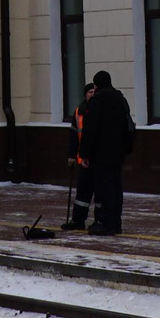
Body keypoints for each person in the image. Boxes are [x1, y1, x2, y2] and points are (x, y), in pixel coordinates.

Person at [76, 69, 136, 236]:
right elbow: (127, 125)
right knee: (116, 187)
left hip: (100, 153)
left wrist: (84, 153)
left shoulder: (97, 102)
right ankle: (116, 222)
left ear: (97, 84)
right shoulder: (121, 100)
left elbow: (90, 130)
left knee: (104, 189)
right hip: (118, 152)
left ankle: (104, 223)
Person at [62, 81, 97, 231]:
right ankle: (78, 220)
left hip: (97, 158)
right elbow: (73, 136)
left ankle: (98, 220)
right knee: (82, 192)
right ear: (85, 94)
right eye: (90, 92)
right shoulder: (79, 112)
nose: (92, 95)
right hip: (83, 159)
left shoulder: (98, 111)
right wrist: (72, 155)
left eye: (94, 92)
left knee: (99, 193)